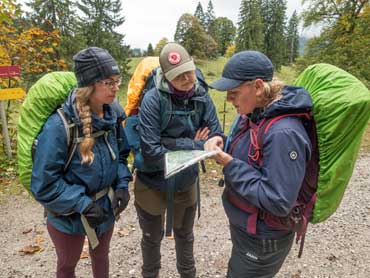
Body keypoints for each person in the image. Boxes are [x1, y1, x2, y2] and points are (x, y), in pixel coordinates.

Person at [204, 50, 313, 278]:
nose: (229, 100)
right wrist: (222, 141)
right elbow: (252, 151)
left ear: (258, 86)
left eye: (234, 93)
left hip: (263, 238)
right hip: (248, 228)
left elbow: (279, 200)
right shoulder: (256, 112)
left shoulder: (284, 133)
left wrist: (230, 164)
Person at [31, 47, 132, 278]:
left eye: (118, 80)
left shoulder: (112, 116)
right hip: (68, 216)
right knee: (67, 264)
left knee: (101, 257)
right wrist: (82, 204)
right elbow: (44, 184)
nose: (116, 87)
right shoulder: (59, 128)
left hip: (104, 208)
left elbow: (122, 155)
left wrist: (122, 185)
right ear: (90, 84)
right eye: (109, 82)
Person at [134, 42, 222, 278]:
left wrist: (170, 143)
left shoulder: (202, 95)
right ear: (165, 75)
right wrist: (194, 143)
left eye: (189, 71)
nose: (186, 78)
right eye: (177, 75)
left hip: (186, 180)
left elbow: (217, 134)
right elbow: (151, 151)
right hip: (152, 182)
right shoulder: (153, 100)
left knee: (185, 235)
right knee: (151, 238)